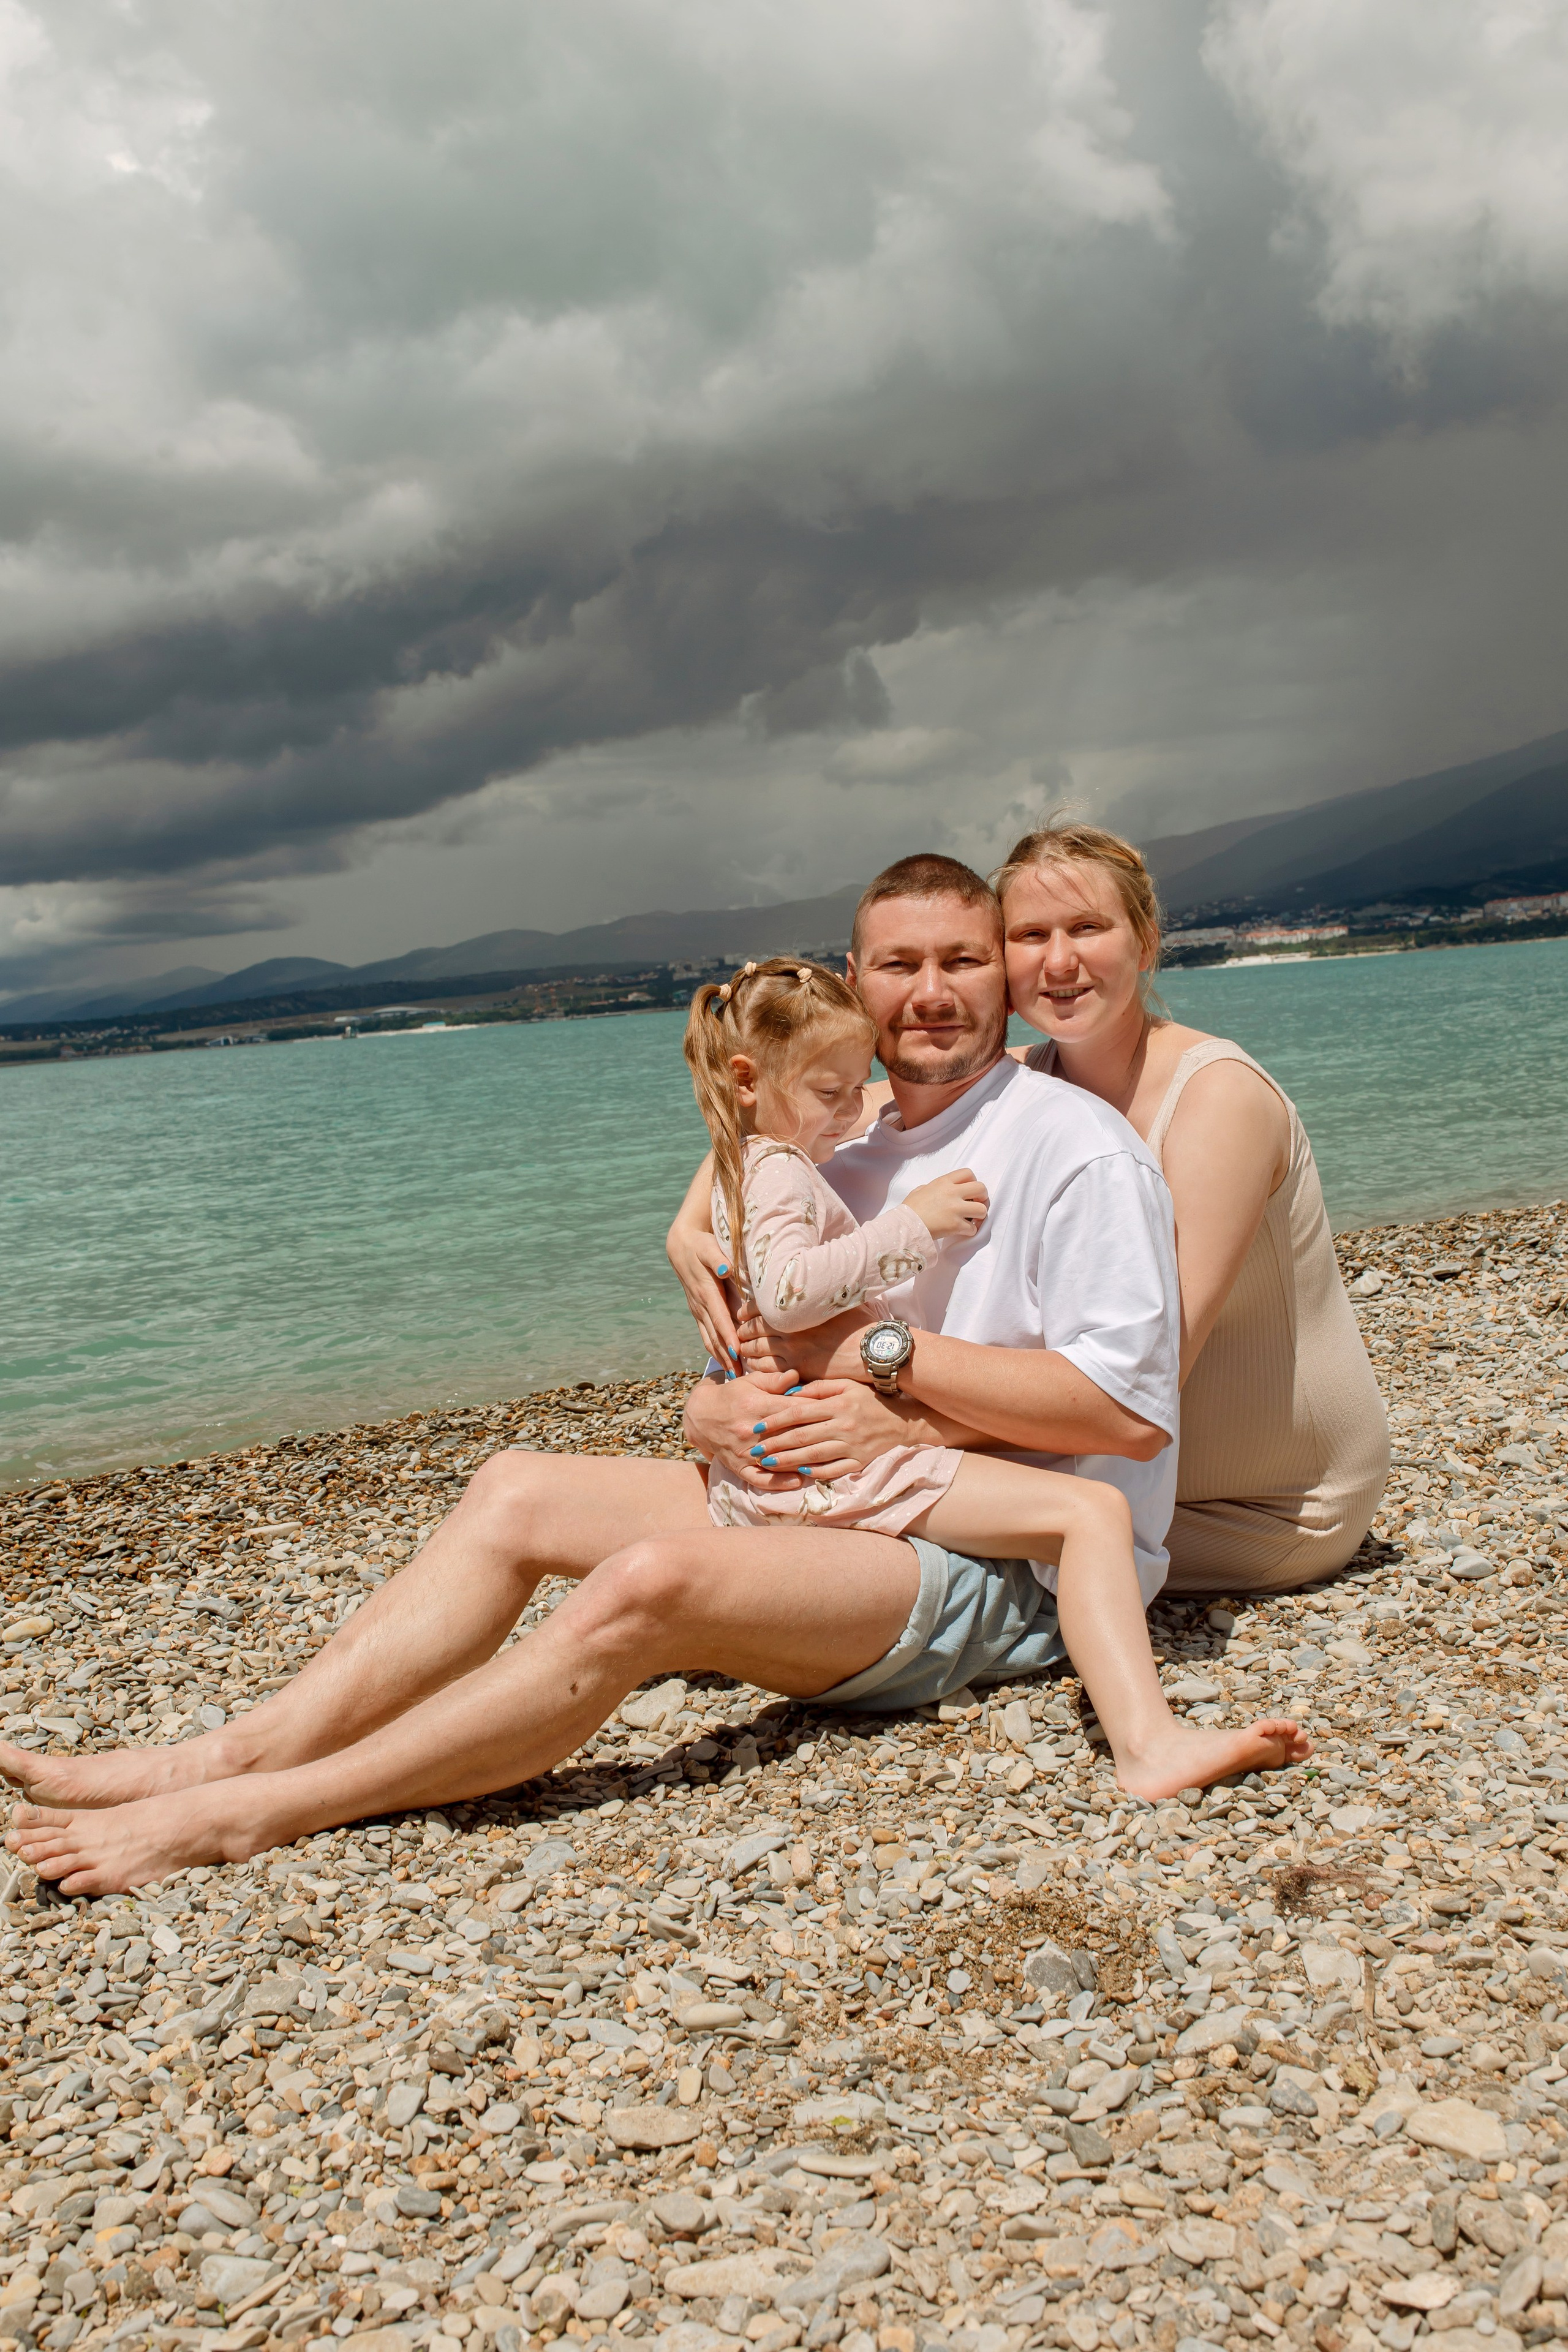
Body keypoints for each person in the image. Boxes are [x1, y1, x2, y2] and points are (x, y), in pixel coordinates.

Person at [1, 853, 1297, 1899]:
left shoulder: (1072, 1150)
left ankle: (254, 1812)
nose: (931, 991)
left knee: (650, 1582)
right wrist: (710, 1407)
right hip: (842, 1498)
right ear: (854, 979)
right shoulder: (834, 1141)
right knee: (512, 1487)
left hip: (1010, 1563)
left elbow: (1129, 1418)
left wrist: (890, 1372)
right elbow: (759, 1345)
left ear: (1003, 985)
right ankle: (233, 1747)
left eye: (963, 960)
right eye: (898, 964)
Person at [669, 826, 1387, 1597]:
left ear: (1146, 943)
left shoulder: (1217, 1101)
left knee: (797, 1555)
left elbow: (1147, 1380)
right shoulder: (1029, 1070)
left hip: (1265, 1506)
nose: (1058, 961)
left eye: (1087, 929)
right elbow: (784, 1121)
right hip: (1104, 1473)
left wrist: (905, 1420)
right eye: (1029, 936)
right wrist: (686, 1228)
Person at [680, 947, 1308, 1791]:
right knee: (1092, 1515)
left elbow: (757, 1181)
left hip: (800, 1450)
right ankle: (1148, 1746)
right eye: (832, 1096)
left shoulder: (757, 1156)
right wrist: (914, 1225)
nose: (848, 1114)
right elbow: (791, 1295)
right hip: (833, 1457)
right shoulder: (788, 1166)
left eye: (853, 1089)